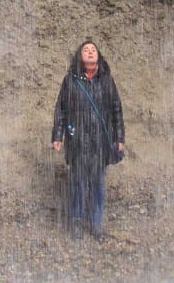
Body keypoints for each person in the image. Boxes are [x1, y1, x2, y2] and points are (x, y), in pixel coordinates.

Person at [51, 39, 125, 241]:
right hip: (78, 143)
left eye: (93, 50)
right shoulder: (70, 81)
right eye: (86, 50)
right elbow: (61, 109)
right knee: (78, 185)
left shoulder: (107, 81)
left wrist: (120, 138)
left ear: (98, 55)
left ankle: (96, 225)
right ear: (79, 56)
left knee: (98, 186)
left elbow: (116, 110)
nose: (90, 52)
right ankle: (76, 223)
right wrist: (58, 136)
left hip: (99, 143)